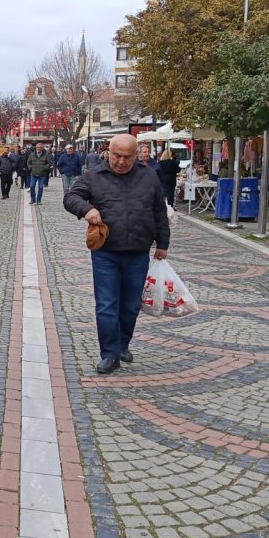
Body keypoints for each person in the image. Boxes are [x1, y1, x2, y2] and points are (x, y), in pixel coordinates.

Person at [64, 135, 169, 375]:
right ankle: (109, 354)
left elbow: (159, 210)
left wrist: (163, 242)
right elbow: (70, 197)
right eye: (116, 155)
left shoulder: (149, 176)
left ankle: (123, 344)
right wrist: (87, 209)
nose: (121, 161)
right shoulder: (93, 176)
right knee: (107, 305)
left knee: (130, 306)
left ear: (137, 155)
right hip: (106, 252)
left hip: (138, 251)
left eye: (127, 157)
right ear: (108, 152)